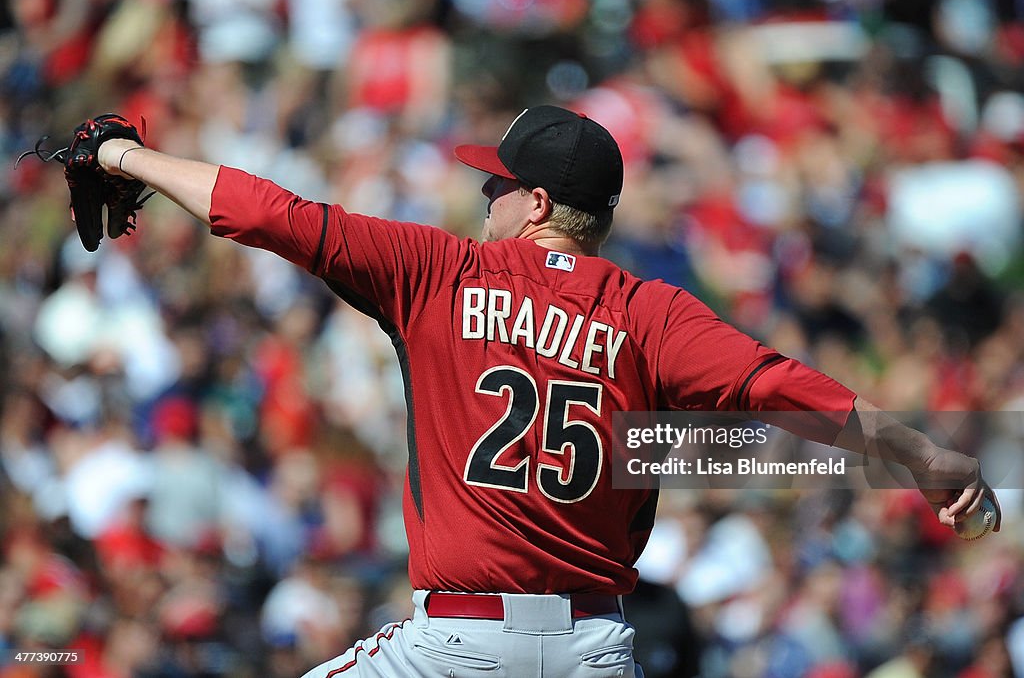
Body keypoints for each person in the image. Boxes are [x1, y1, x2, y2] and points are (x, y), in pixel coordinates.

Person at [92, 105, 998, 677]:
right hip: (594, 649)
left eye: (494, 181)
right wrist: (920, 451)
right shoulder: (651, 313)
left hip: (456, 645)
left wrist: (126, 158)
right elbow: (778, 386)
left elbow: (270, 213)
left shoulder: (438, 272)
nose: (481, 194)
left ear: (531, 203)